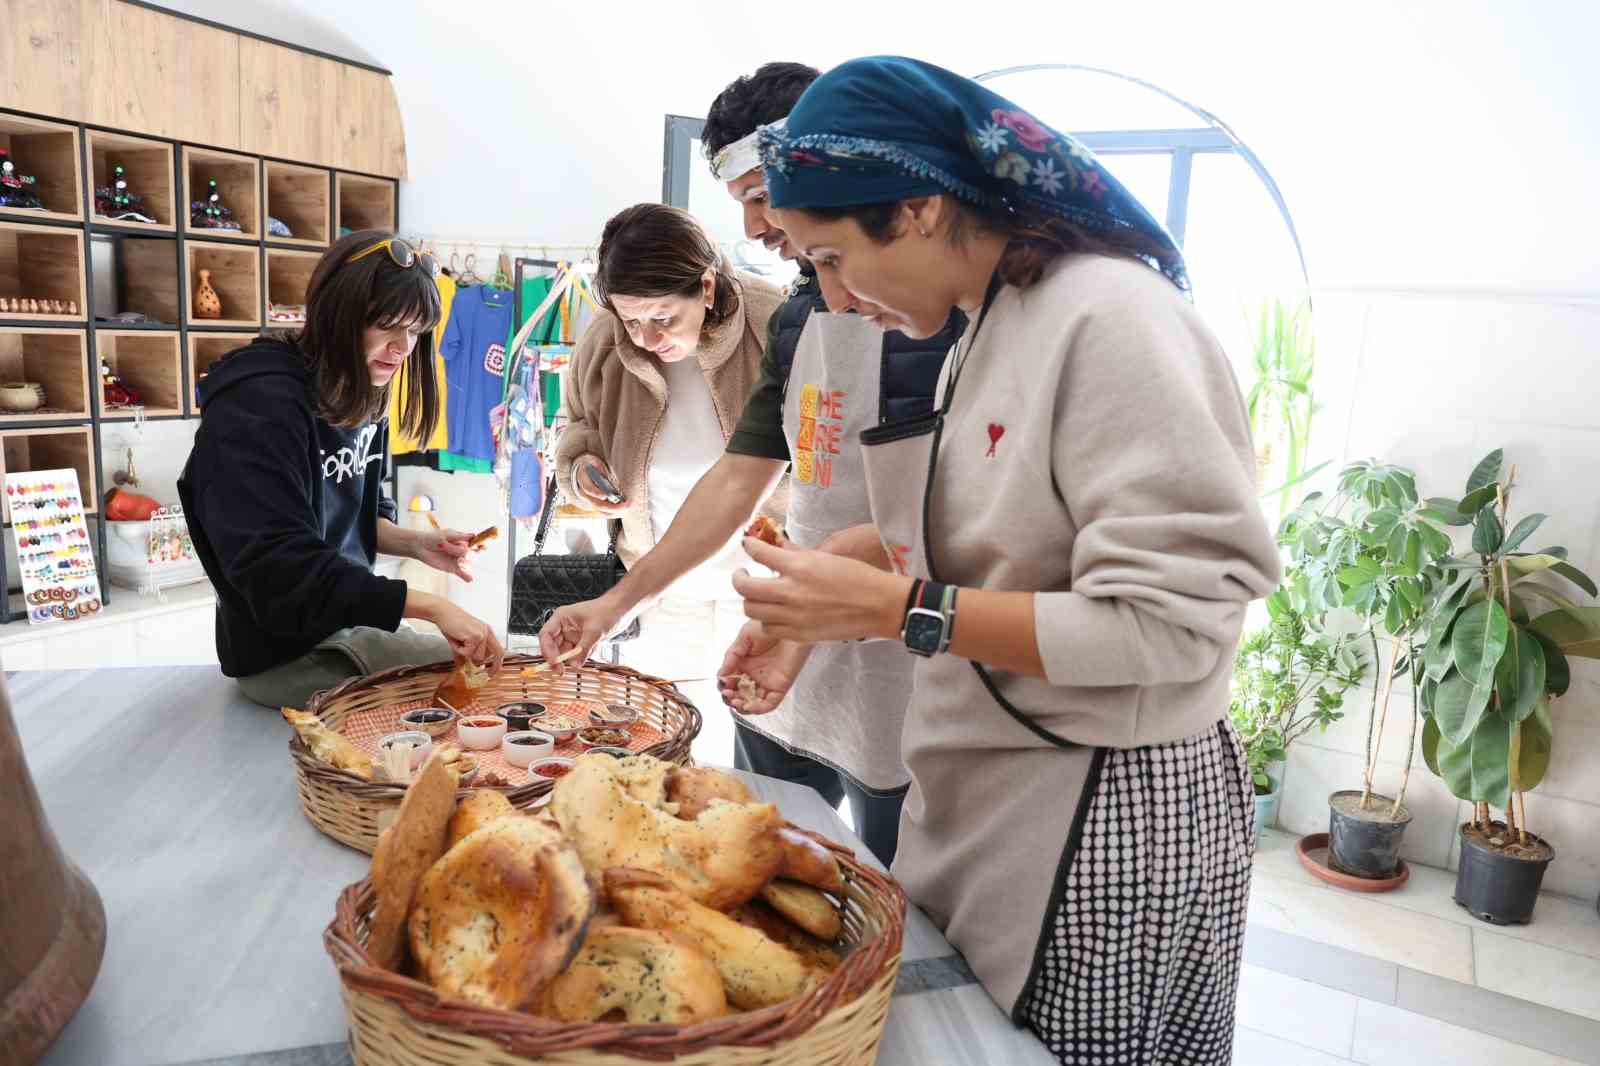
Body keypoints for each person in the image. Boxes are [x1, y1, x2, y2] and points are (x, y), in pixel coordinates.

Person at [732, 58, 1281, 1063]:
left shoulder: (1109, 317)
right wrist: (817, 598)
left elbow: (1171, 622)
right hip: (997, 795)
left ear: (922, 209)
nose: (838, 301)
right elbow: (989, 539)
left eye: (834, 258)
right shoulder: (986, 320)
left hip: (1102, 816)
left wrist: (901, 609)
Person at [539, 63, 962, 865]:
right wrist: (615, 602)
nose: (765, 228)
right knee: (761, 854)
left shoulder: (952, 312)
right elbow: (737, 478)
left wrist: (825, 576)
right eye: (747, 207)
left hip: (905, 634)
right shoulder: (804, 316)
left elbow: (964, 503)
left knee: (894, 883)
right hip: (792, 624)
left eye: (768, 196)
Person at [179, 230, 504, 709]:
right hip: (285, 655)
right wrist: (432, 607)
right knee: (490, 673)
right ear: (339, 315)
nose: (404, 348)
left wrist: (416, 543)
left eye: (415, 331)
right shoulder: (259, 406)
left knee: (491, 668)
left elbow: (353, 514)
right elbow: (283, 569)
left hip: (343, 625)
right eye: (390, 326)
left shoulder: (361, 386)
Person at [550, 203, 785, 682]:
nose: (647, 337)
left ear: (705, 286)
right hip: (657, 586)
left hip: (764, 579)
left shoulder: (771, 321)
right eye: (631, 321)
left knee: (759, 726)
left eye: (663, 317)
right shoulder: (605, 340)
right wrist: (581, 470)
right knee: (662, 730)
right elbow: (574, 428)